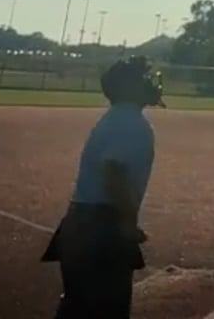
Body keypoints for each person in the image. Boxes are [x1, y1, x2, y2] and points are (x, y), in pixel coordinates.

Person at [41, 56, 162, 319]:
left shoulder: (117, 117)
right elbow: (113, 172)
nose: (149, 83)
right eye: (141, 78)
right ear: (128, 88)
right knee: (107, 308)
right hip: (102, 227)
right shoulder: (131, 122)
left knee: (77, 306)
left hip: (84, 222)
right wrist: (128, 222)